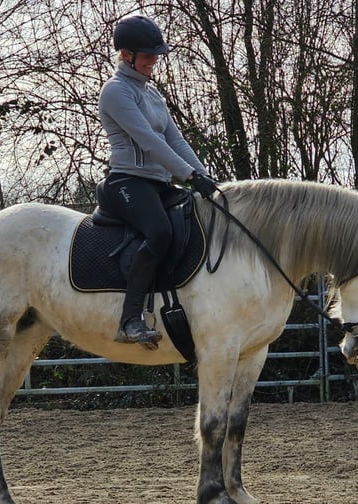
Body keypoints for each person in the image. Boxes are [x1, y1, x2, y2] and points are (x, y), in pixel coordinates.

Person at [97, 14, 217, 347]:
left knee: (195, 217)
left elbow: (176, 141)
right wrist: (189, 175)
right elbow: (149, 140)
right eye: (148, 55)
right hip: (126, 183)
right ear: (126, 56)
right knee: (160, 231)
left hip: (158, 184)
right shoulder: (116, 92)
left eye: (155, 55)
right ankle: (129, 320)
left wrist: (205, 177)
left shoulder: (152, 95)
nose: (154, 61)